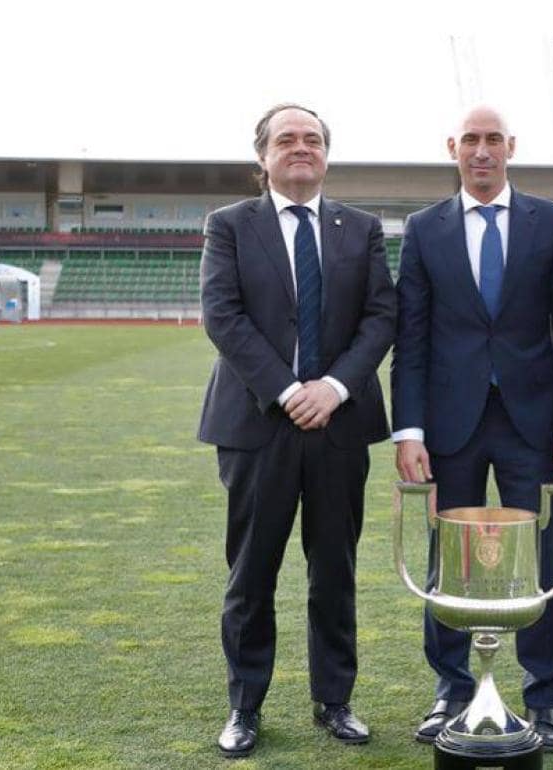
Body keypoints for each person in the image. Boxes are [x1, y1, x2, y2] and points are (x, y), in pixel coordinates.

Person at [391, 105, 553, 752]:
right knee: (446, 563)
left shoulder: (551, 222)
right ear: (453, 147)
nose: (482, 151)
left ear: (511, 146)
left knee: (540, 559)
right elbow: (412, 336)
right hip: (450, 423)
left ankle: (545, 698)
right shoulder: (423, 231)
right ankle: (451, 689)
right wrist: (409, 432)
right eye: (470, 140)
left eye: (493, 140)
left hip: (535, 424)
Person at [197, 103, 396, 757]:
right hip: (258, 425)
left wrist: (333, 388)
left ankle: (334, 701)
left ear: (327, 154)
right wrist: (287, 391)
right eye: (287, 139)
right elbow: (223, 316)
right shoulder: (228, 226)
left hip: (339, 425)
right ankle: (244, 706)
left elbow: (379, 317)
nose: (301, 147)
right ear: (263, 157)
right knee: (252, 573)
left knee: (333, 571)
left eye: (312, 139)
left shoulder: (360, 229)